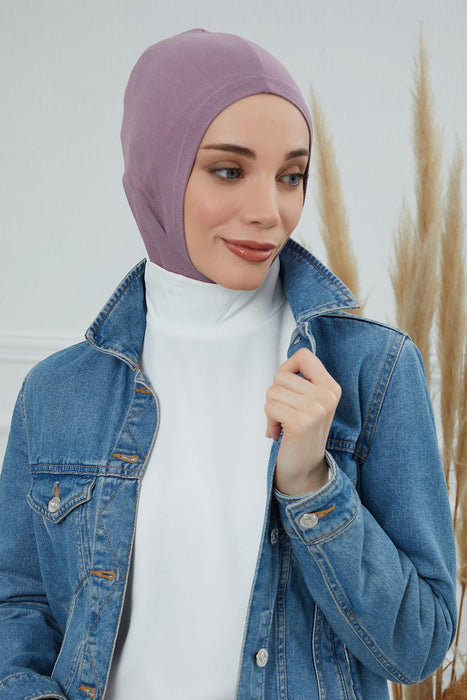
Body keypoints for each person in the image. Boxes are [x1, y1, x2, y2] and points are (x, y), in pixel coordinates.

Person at [0, 28, 456, 700]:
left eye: (291, 177)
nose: (269, 212)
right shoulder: (56, 393)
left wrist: (311, 484)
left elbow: (419, 644)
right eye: (228, 171)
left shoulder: (372, 369)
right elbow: (19, 604)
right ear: (155, 168)